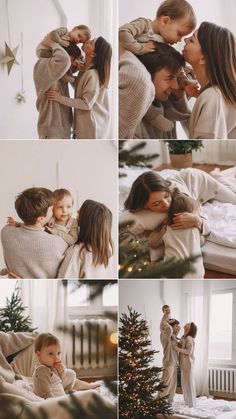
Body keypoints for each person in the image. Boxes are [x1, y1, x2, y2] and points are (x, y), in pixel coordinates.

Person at [119, 0, 197, 136]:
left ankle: (166, 112)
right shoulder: (144, 25)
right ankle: (155, 117)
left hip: (153, 80)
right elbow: (122, 32)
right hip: (139, 70)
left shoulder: (164, 43)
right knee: (145, 95)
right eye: (179, 34)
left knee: (158, 93)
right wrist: (141, 48)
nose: (180, 40)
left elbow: (173, 66)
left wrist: (184, 79)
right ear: (165, 21)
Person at [46, 37, 112, 139]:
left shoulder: (92, 75)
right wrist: (68, 76)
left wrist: (60, 98)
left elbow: (86, 104)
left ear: (93, 54)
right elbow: (79, 85)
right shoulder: (85, 69)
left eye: (91, 43)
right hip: (85, 124)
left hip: (92, 127)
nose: (86, 41)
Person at [119, 42, 188, 139]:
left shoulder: (162, 104)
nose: (175, 86)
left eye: (176, 78)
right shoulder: (133, 120)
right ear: (148, 75)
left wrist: (180, 95)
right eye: (169, 78)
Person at [183, 22, 236, 139]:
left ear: (203, 58)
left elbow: (204, 147)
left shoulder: (212, 97)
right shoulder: (216, 94)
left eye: (191, 40)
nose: (185, 39)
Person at [1, 187, 68, 278]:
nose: (53, 213)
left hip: (16, 290)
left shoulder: (6, 232)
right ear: (40, 218)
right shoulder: (59, 243)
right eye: (51, 210)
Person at [149, 190, 205, 278]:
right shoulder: (195, 229)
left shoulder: (167, 229)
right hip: (198, 272)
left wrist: (161, 228)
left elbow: (153, 244)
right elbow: (202, 242)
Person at [33, 41, 82, 139]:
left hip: (62, 128)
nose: (72, 63)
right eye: (72, 59)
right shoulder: (44, 64)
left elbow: (76, 82)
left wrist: (79, 64)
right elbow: (64, 60)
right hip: (51, 127)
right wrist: (52, 42)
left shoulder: (61, 72)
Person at [58, 199, 114, 278]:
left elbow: (63, 278)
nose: (77, 211)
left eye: (81, 211)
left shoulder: (77, 251)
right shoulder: (107, 251)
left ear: (87, 221)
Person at [33, 333, 99, 399]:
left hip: (61, 397)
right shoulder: (42, 370)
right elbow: (46, 393)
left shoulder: (50, 367)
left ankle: (84, 387)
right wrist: (55, 403)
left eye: (58, 353)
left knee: (71, 375)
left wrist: (61, 371)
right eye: (51, 354)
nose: (56, 358)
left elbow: (60, 381)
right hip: (56, 401)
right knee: (89, 395)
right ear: (38, 355)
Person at [7, 188, 78, 246]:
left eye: (69, 207)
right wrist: (17, 224)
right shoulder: (49, 218)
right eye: (60, 207)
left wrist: (56, 232)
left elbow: (73, 240)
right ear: (52, 208)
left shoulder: (73, 222)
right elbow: (33, 225)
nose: (64, 211)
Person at [160, 317, 180, 402]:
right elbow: (167, 328)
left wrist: (176, 325)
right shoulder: (165, 335)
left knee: (172, 383)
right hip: (169, 362)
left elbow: (177, 329)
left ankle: (169, 399)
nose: (177, 328)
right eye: (175, 326)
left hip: (174, 362)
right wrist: (167, 319)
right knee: (165, 383)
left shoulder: (174, 336)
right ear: (171, 327)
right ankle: (160, 400)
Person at [177, 322, 197, 407]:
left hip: (188, 363)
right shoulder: (183, 337)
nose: (186, 324)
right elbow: (180, 345)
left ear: (190, 328)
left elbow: (189, 351)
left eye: (188, 324)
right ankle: (187, 401)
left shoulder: (189, 338)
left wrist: (177, 348)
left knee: (189, 382)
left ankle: (192, 402)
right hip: (183, 363)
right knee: (184, 383)